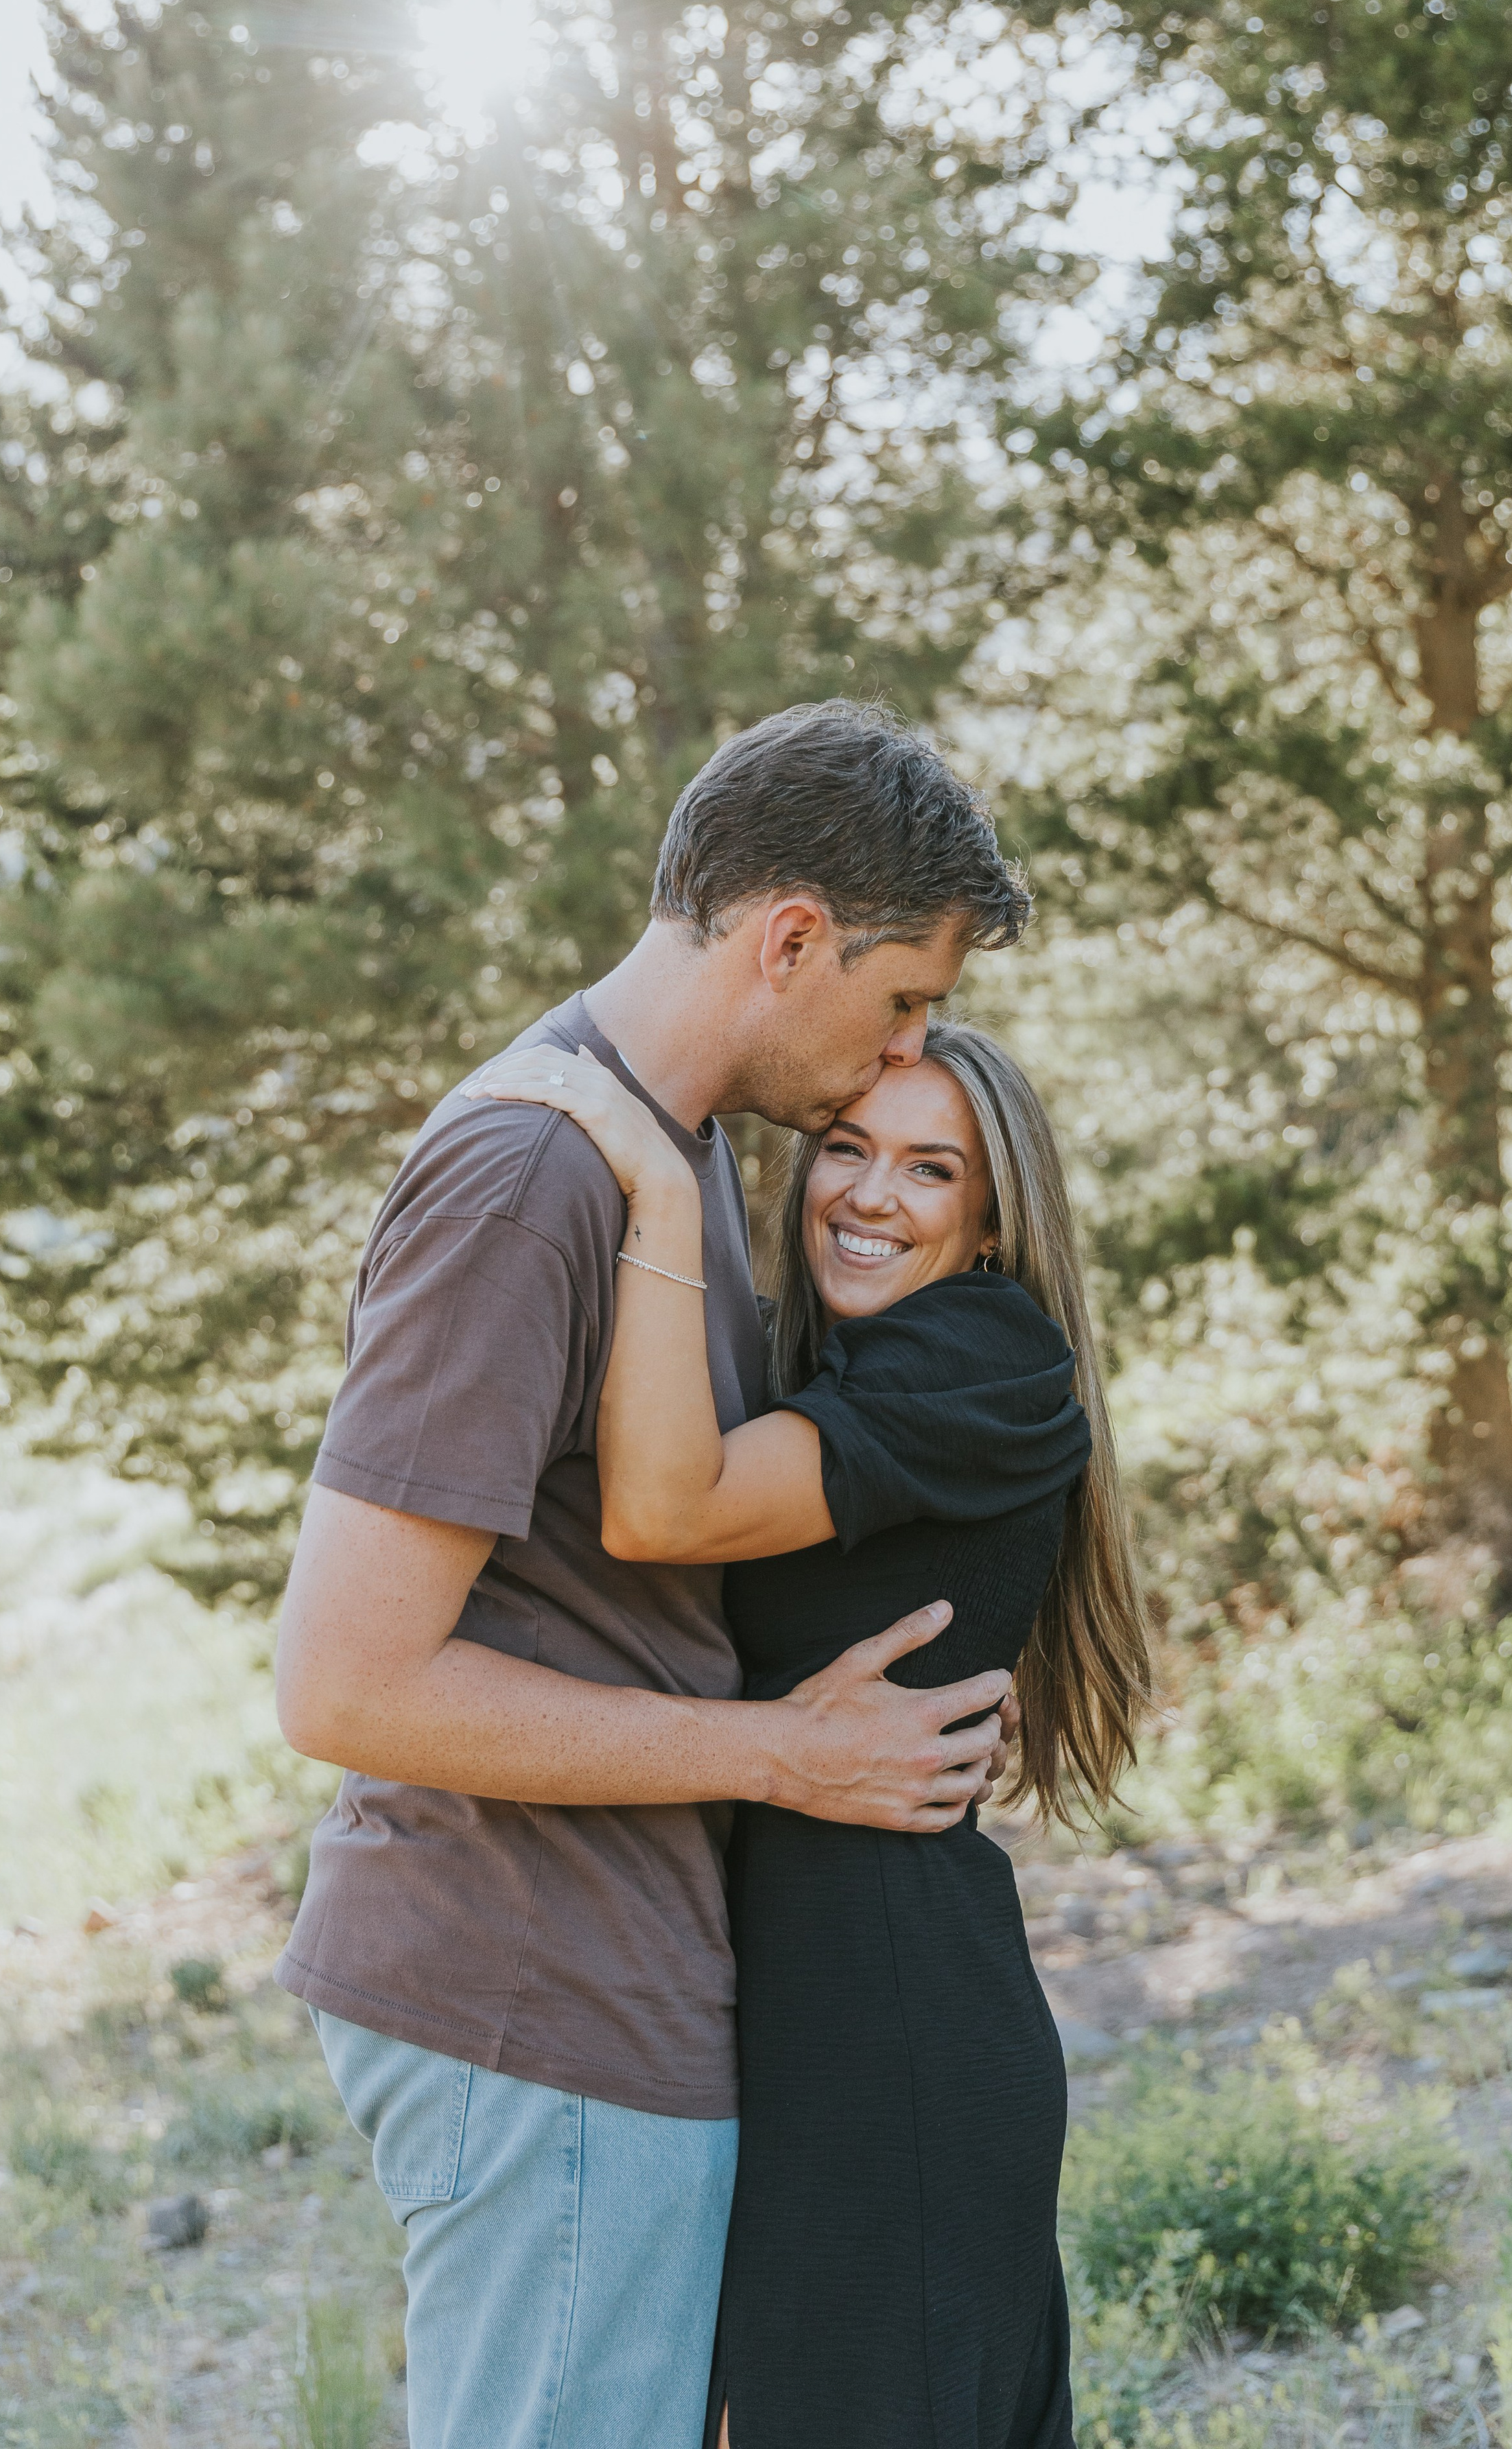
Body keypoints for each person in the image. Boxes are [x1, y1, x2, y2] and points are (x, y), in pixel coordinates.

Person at [272, 700, 1032, 2449]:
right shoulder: (534, 1171)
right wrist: (787, 1755)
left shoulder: (661, 1153)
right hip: (534, 1990)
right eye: (901, 999)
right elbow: (344, 1684)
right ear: (790, 939)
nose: (906, 1046)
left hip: (613, 1985)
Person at [473, 1015, 1153, 2449]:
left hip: (883, 2019)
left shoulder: (977, 1349)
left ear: (991, 1223)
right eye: (846, 1148)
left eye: (929, 1170)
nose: (869, 1194)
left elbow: (662, 1509)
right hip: (800, 2003)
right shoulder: (845, 1366)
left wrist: (658, 1181)